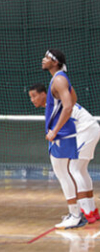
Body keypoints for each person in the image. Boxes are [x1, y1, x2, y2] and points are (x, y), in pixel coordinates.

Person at [28, 83, 100, 224]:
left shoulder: (55, 105)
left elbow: (64, 124)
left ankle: (83, 212)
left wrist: (53, 134)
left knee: (73, 169)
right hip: (90, 129)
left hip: (86, 129)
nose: (32, 100)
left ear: (44, 94)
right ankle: (91, 211)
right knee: (81, 169)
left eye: (34, 96)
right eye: (30, 97)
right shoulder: (54, 105)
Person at [41, 49, 88, 229]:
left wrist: (54, 130)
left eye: (46, 58)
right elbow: (73, 99)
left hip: (63, 135)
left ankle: (75, 214)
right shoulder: (60, 79)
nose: (43, 60)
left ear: (55, 62)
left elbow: (68, 107)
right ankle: (74, 212)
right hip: (64, 134)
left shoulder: (59, 79)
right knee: (65, 173)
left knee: (63, 174)